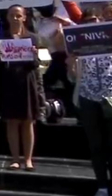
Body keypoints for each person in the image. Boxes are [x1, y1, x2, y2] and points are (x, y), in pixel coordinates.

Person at [68, 10, 112, 196]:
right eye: (88, 21)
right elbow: (71, 78)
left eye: (95, 20)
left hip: (110, 96)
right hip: (87, 96)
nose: (92, 23)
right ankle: (102, 185)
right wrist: (71, 62)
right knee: (96, 144)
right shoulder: (77, 46)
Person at [0, 5, 41, 171]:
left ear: (24, 17)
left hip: (26, 81)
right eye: (12, 15)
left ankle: (28, 159)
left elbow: (36, 65)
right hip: (8, 82)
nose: (15, 18)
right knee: (12, 122)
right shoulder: (0, 38)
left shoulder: (33, 37)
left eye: (18, 15)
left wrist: (34, 55)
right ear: (7, 17)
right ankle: (14, 158)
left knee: (28, 122)